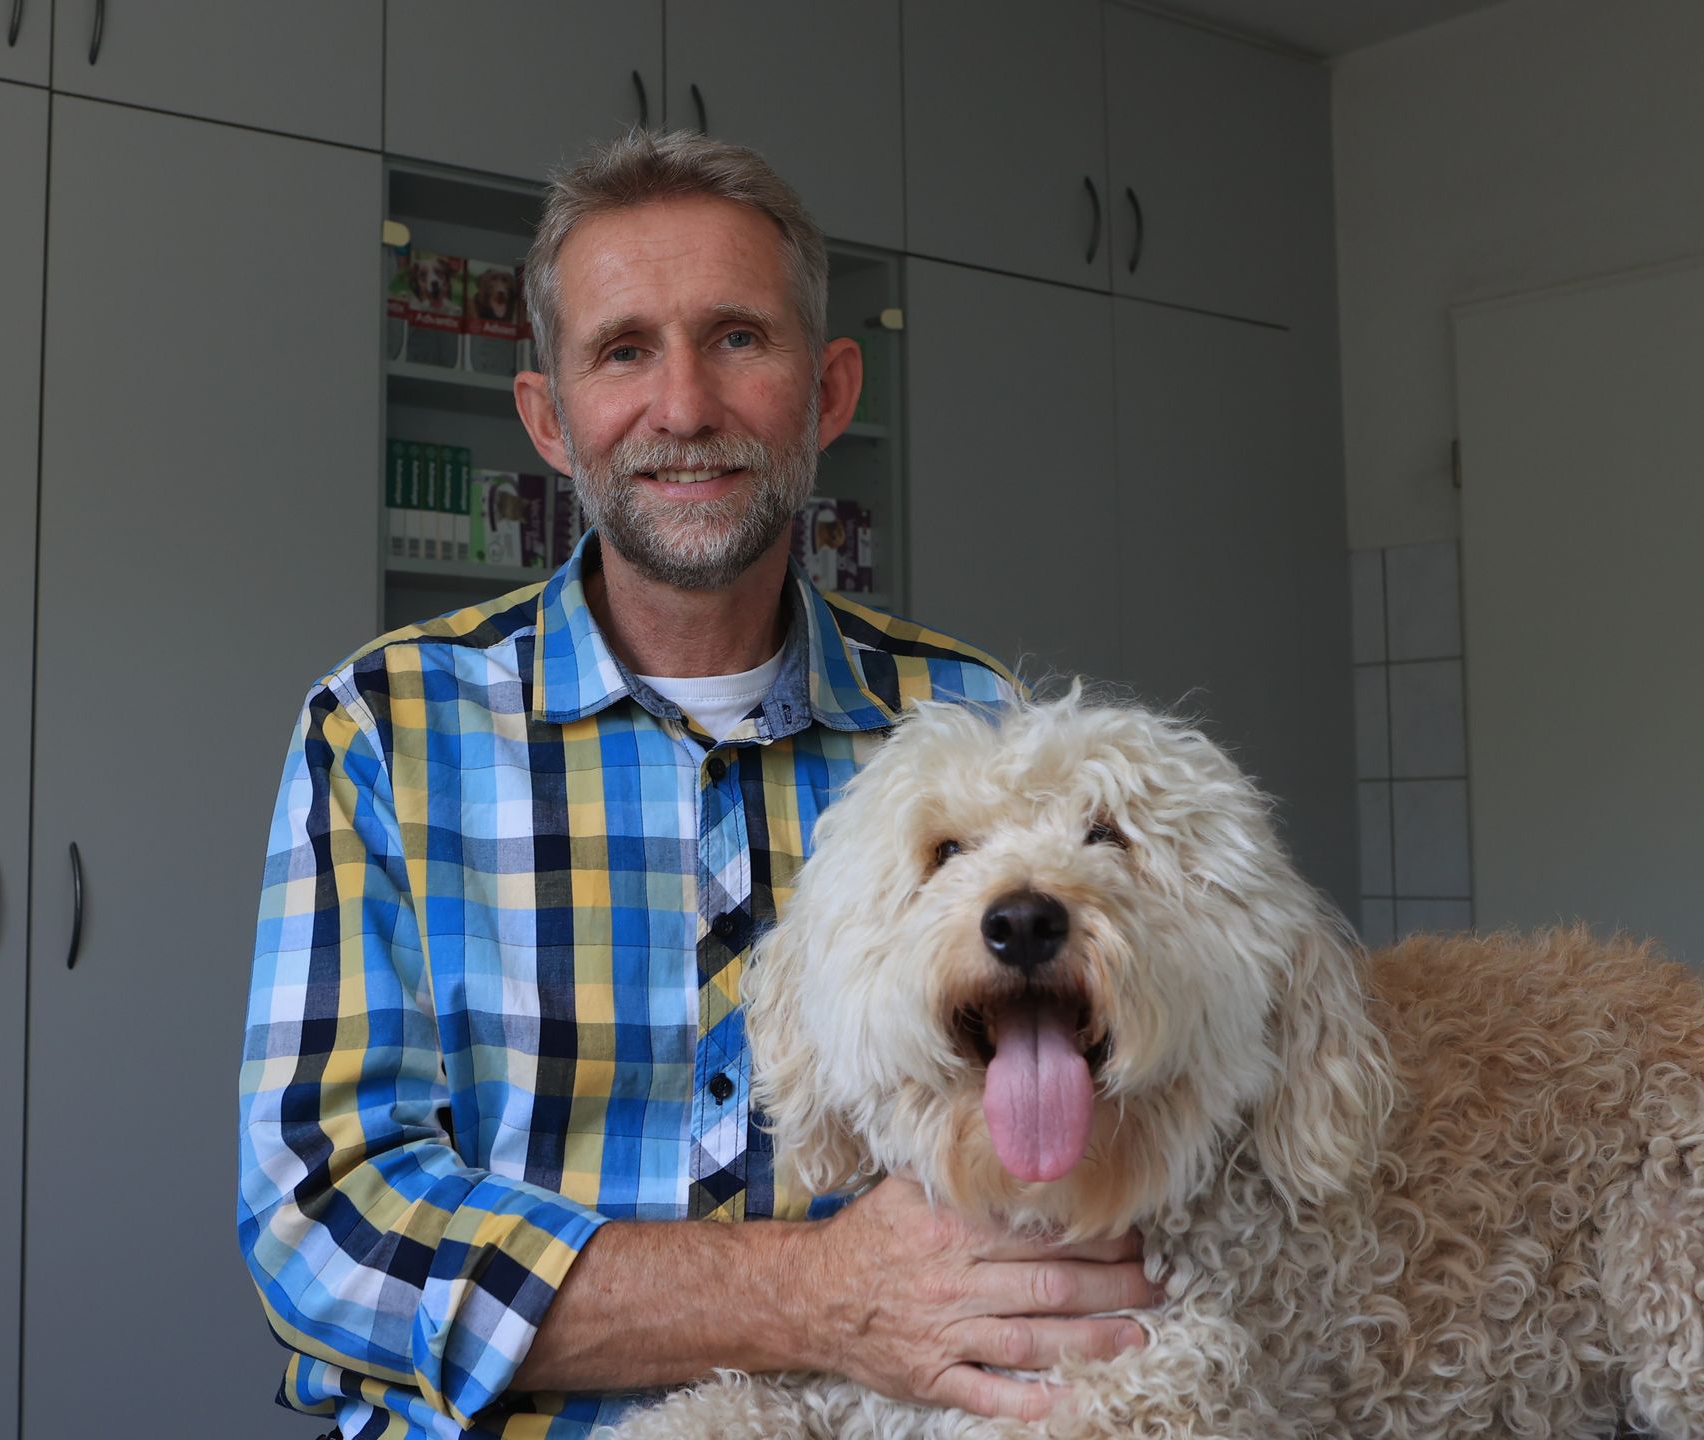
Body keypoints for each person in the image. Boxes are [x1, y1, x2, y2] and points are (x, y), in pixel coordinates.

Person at [237, 130, 1156, 1440]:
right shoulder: (383, 731)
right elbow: (322, 1228)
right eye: (623, 350)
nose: (682, 407)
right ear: (550, 420)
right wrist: (818, 1295)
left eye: (737, 339)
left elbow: (1093, 1143)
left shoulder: (974, 727)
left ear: (830, 392)